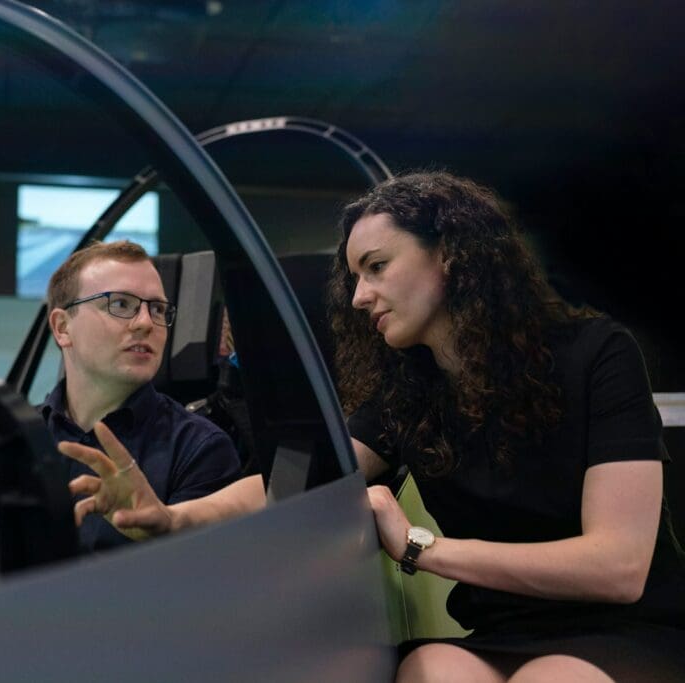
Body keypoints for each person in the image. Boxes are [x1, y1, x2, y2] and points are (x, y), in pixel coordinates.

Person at [59, 173, 685, 681]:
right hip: (502, 632)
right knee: (429, 669)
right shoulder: (408, 390)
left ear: (452, 256)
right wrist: (175, 519)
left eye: (377, 267)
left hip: (622, 627)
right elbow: (289, 483)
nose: (359, 296)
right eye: (355, 276)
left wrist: (420, 547)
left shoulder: (596, 353)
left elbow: (618, 568)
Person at [41, 239, 241, 552]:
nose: (147, 323)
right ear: (63, 327)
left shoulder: (200, 449)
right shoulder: (17, 438)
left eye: (158, 309)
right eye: (120, 304)